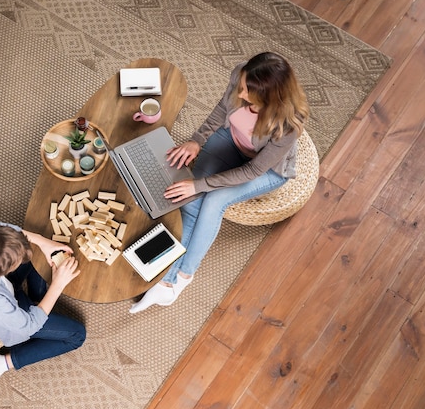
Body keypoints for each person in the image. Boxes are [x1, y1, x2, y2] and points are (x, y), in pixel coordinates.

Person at [130, 52, 309, 313]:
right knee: (190, 203)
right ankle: (166, 282)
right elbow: (221, 110)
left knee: (214, 199)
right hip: (232, 140)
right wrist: (197, 140)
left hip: (266, 170)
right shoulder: (241, 74)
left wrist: (200, 184)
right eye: (242, 85)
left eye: (247, 92)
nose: (240, 91)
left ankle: (183, 277)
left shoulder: (287, 125)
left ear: (268, 99)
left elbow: (253, 170)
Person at [0, 221, 86, 399]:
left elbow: (2, 227)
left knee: (36, 249)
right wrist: (58, 284)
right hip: (9, 313)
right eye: (14, 265)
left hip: (4, 288)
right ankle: (4, 362)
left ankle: (38, 301)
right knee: (77, 335)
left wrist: (45, 243)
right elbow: (28, 326)